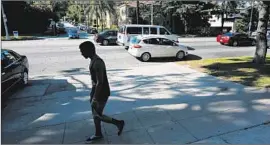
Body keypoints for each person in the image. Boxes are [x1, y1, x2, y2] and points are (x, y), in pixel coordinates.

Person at [79, 41, 125, 143]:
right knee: (95, 114)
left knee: (97, 115)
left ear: (88, 50)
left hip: (101, 93)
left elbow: (100, 82)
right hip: (96, 91)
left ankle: (118, 123)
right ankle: (98, 133)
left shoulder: (98, 62)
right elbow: (95, 81)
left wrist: (95, 98)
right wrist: (92, 93)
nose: (81, 53)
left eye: (82, 51)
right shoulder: (93, 60)